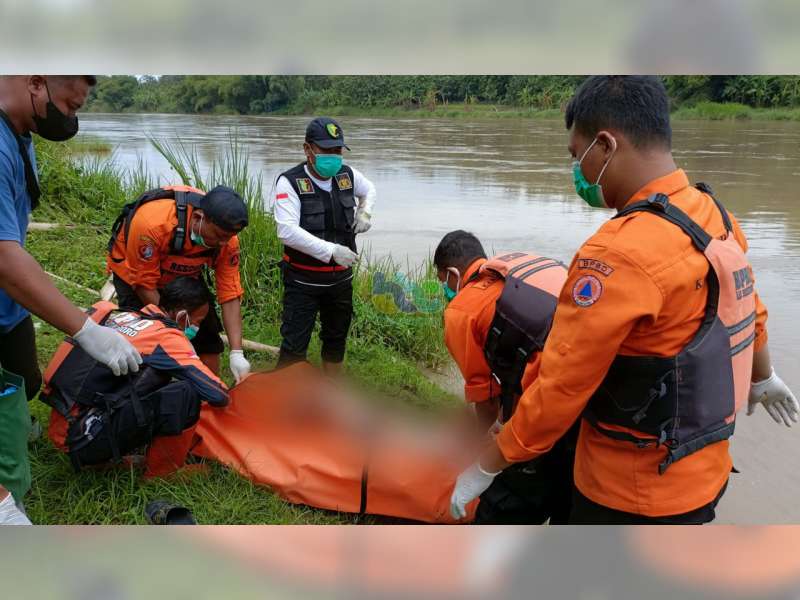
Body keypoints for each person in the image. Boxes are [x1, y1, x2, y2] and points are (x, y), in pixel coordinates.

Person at [450, 76, 799, 524]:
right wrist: (762, 375)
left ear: (605, 145)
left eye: (577, 157)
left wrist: (488, 463)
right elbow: (748, 309)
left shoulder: (615, 254)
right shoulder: (716, 215)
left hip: (627, 494)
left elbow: (561, 387)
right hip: (705, 475)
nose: (577, 171)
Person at [0, 75, 141, 520]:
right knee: (9, 449)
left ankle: (18, 432)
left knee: (25, 384)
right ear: (37, 85)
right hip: (9, 284)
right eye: (71, 105)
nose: (73, 117)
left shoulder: (20, 133)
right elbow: (4, 257)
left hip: (10, 307)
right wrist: (85, 330)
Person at [435, 230, 576, 524]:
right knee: (571, 496)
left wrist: (475, 453)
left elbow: (486, 404)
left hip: (552, 404)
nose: (446, 290)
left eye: (443, 282)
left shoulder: (463, 310)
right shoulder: (517, 261)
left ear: (451, 273)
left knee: (506, 503)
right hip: (598, 392)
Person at [42, 276, 229, 477]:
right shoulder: (165, 338)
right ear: (182, 316)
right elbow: (218, 395)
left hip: (61, 425)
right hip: (84, 438)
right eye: (197, 322)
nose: (196, 329)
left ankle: (104, 455)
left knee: (155, 379)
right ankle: (164, 473)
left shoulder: (109, 312)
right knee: (186, 393)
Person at [106, 183, 251, 382]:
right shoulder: (151, 224)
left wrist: (237, 352)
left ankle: (208, 390)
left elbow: (229, 293)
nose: (223, 243)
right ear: (199, 218)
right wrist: (175, 331)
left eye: (228, 238)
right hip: (137, 274)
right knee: (145, 338)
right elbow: (144, 284)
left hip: (184, 273)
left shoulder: (226, 240)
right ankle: (143, 391)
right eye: (218, 236)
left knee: (205, 332)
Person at [272, 117, 376, 375]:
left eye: (337, 150)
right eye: (326, 150)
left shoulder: (346, 175)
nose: (333, 156)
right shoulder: (290, 182)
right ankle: (286, 399)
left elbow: (370, 189)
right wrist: (331, 251)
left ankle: (331, 395)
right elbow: (286, 231)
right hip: (303, 282)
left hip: (341, 281)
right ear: (308, 150)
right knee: (294, 345)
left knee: (335, 341)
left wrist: (365, 212)